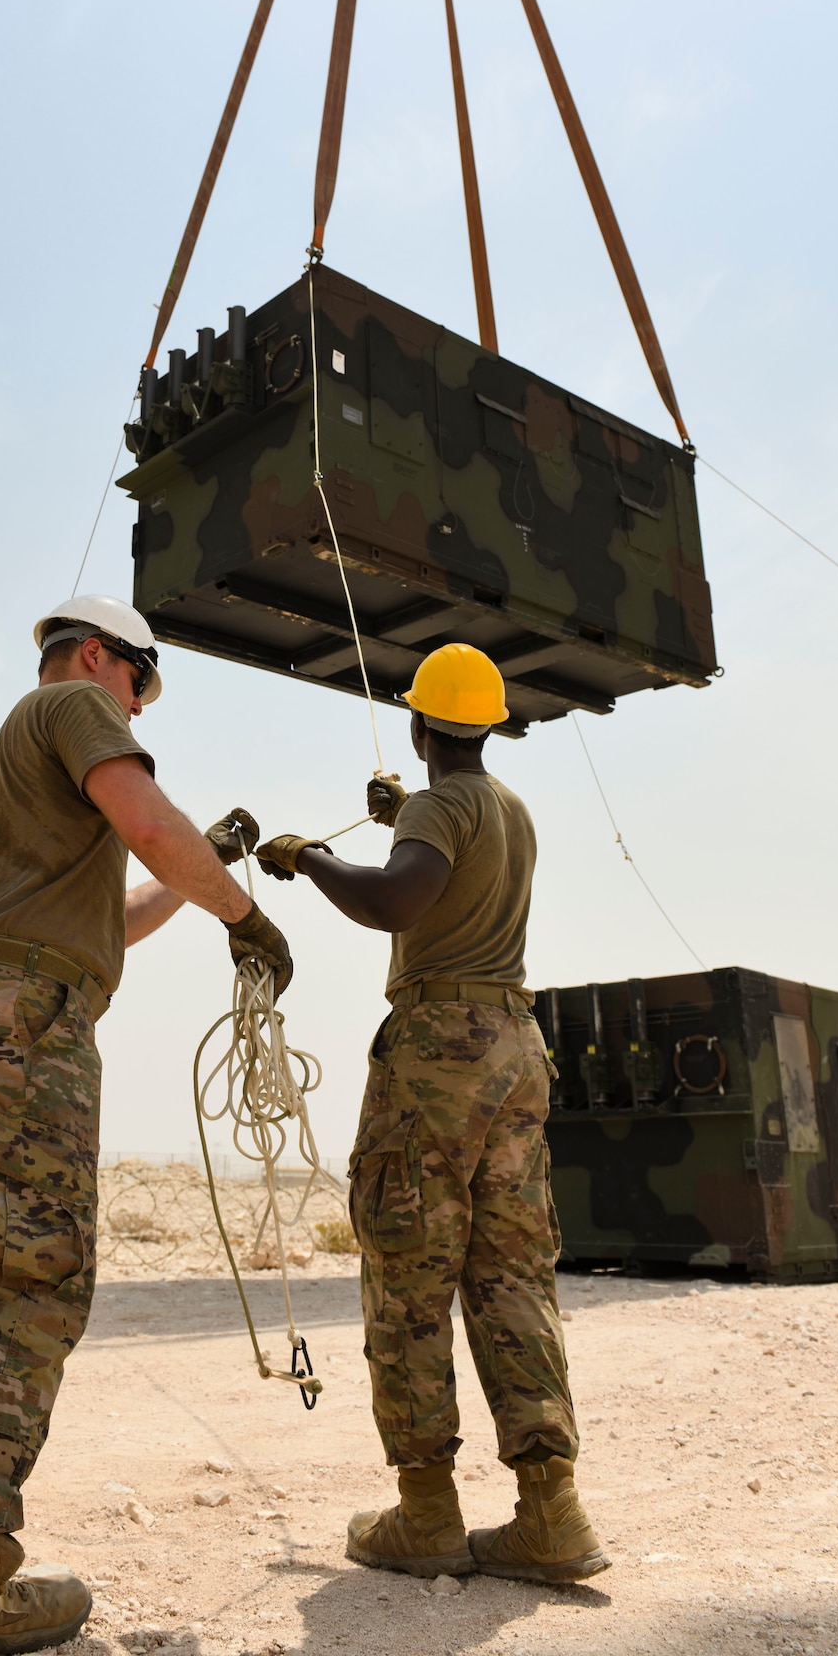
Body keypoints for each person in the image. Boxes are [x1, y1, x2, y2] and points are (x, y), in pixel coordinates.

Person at [0, 595, 290, 1656]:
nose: (138, 708)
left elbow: (112, 920)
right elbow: (146, 816)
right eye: (140, 681)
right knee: (27, 1293)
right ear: (97, 655)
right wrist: (248, 914)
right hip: (21, 1026)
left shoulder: (33, 782)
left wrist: (204, 872)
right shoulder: (71, 709)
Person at [255, 643, 608, 1585]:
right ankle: (551, 1512)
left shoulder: (439, 807)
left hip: (440, 1051)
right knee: (511, 1276)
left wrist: (313, 859)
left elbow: (397, 896)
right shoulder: (506, 809)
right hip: (515, 1049)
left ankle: (426, 1514)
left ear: (418, 726)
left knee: (409, 1272)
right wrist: (399, 814)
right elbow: (443, 858)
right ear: (487, 726)